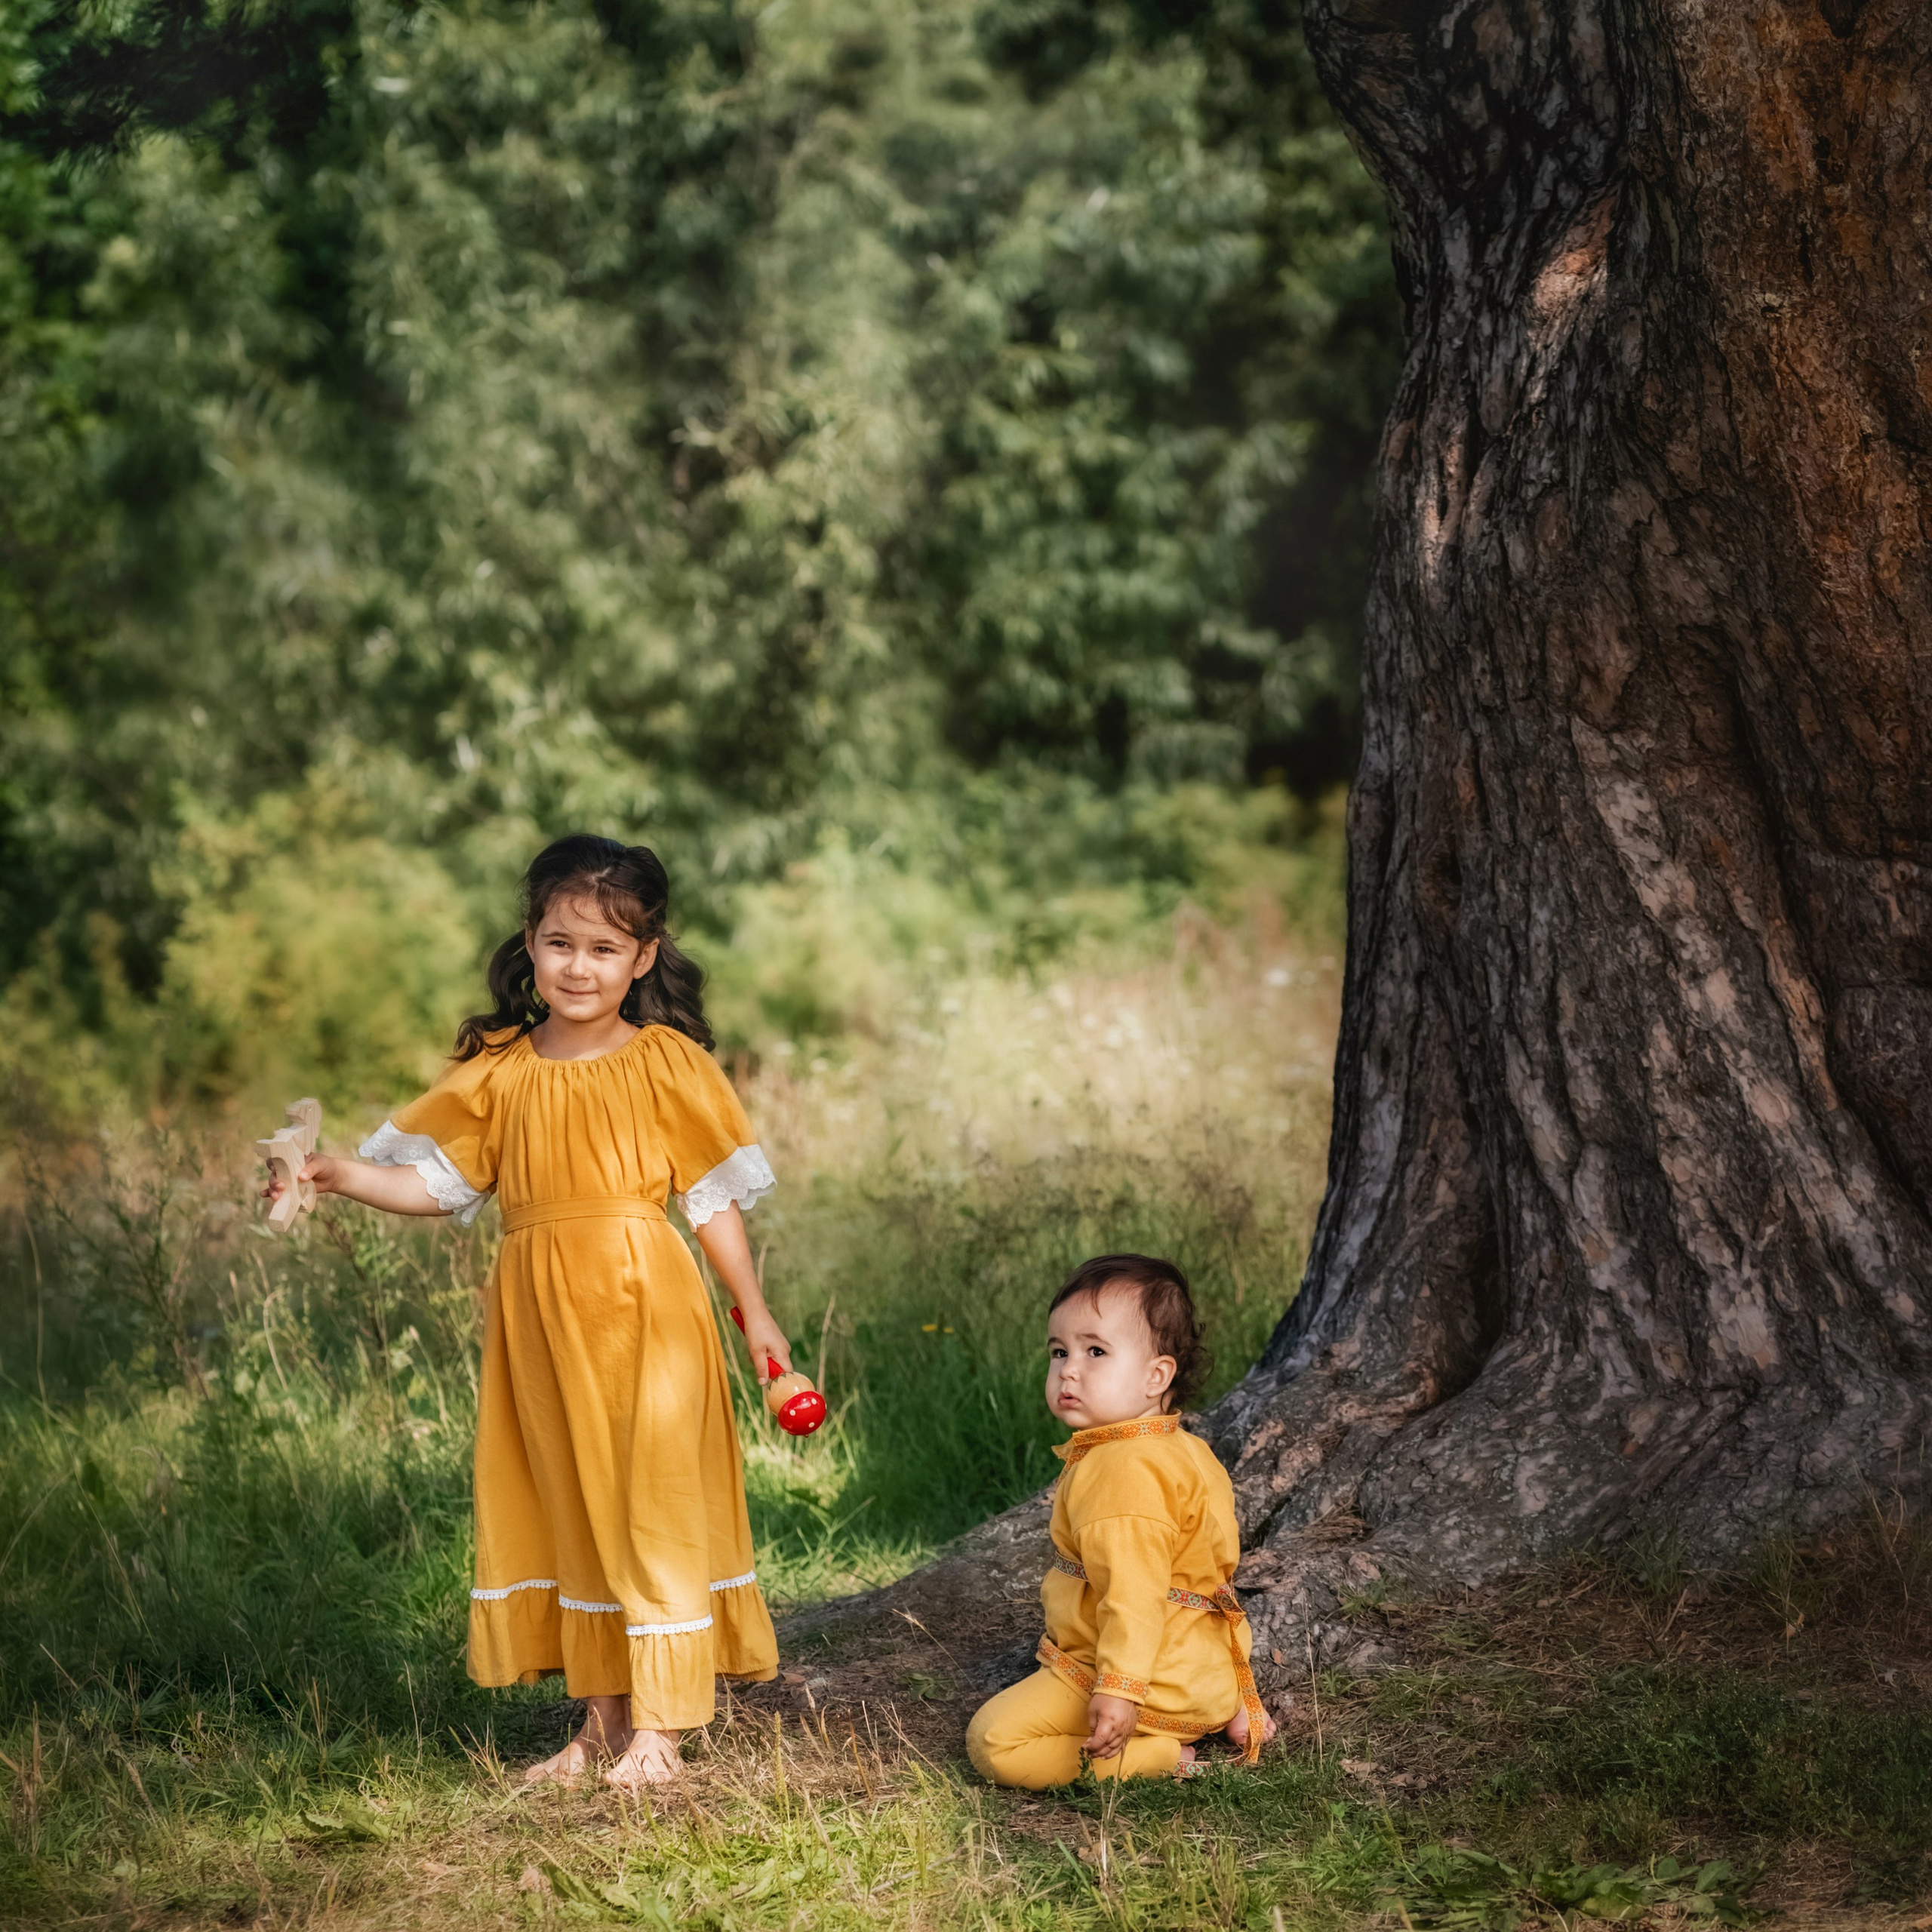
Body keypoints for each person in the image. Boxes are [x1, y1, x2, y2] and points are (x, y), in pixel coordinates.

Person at [264, 834, 786, 1788]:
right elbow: (436, 1186)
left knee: (650, 1499)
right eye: (559, 943)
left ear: (645, 956)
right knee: (569, 1501)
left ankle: (663, 1731)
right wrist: (336, 1174)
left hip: (645, 1306)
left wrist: (754, 1313)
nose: (577, 966)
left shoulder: (666, 1062)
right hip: (540, 1314)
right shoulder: (499, 1065)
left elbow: (710, 1201)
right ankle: (599, 1723)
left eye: (602, 948)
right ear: (530, 945)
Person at [965, 1254, 1276, 1786]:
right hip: (1200, 1666)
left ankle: (1156, 1753)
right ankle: (1229, 1707)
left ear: (1157, 1376)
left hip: (1145, 1680)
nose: (1069, 1369)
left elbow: (1134, 1593)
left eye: (1095, 1351)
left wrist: (1119, 1690)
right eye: (1059, 1351)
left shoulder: (1123, 1471)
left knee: (995, 1742)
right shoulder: (1183, 1447)